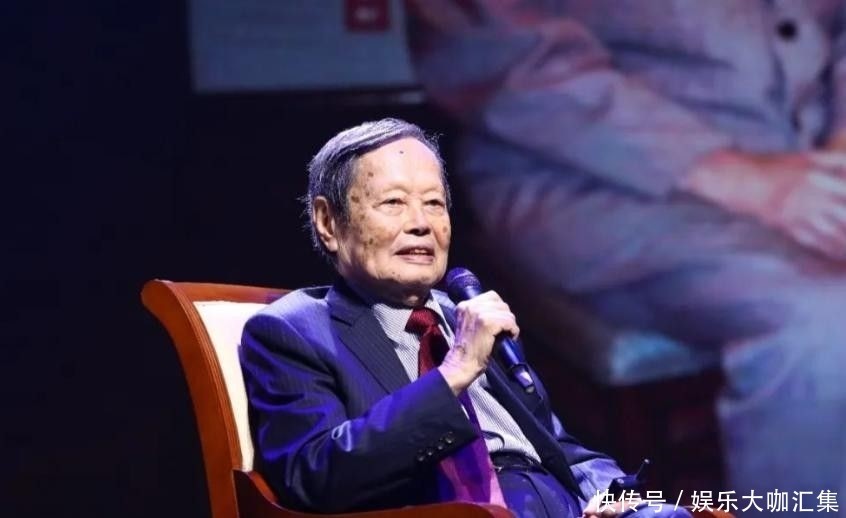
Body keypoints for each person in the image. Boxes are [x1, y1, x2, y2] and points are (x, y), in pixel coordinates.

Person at [404, 0, 846, 513]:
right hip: (587, 179)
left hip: (806, 163)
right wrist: (743, 176)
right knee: (822, 321)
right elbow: (492, 49)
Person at [239, 118, 691, 517]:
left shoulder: (468, 317)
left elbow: (558, 449)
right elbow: (316, 475)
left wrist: (613, 495)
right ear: (328, 222)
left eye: (434, 203)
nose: (421, 223)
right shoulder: (294, 331)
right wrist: (454, 372)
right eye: (394, 202)